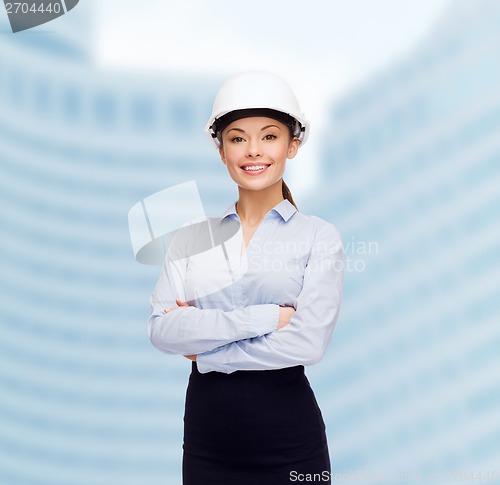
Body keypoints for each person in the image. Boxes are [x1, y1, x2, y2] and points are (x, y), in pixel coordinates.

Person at [147, 71, 344, 485]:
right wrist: (268, 318)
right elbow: (163, 330)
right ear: (221, 151)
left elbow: (308, 342)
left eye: (269, 136)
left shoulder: (318, 237)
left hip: (291, 444)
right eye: (237, 138)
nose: (253, 151)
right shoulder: (193, 236)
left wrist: (208, 353)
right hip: (208, 444)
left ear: (293, 144)